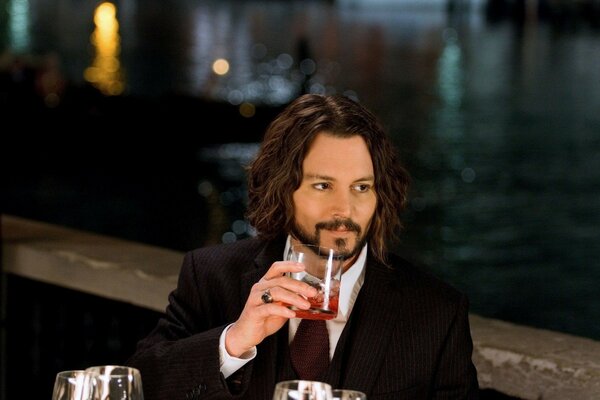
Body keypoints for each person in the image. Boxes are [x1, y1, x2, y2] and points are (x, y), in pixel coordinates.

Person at [127, 94, 480, 399]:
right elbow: (142, 388)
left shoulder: (437, 311)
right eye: (323, 186)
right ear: (283, 189)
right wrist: (234, 341)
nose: (344, 209)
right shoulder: (209, 276)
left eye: (361, 187)